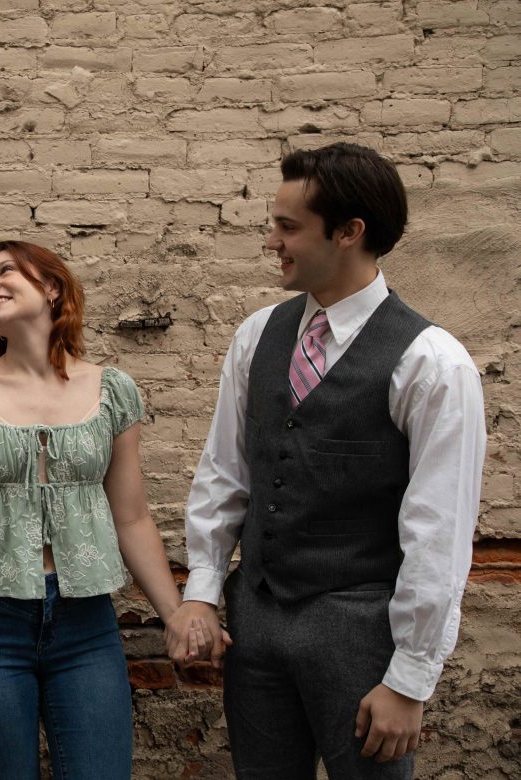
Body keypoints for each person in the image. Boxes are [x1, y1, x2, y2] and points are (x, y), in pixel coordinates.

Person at [168, 142, 487, 778]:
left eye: (288, 227)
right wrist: (202, 593)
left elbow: (439, 533)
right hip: (256, 621)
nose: (271, 240)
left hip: (362, 634)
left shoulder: (431, 363)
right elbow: (225, 474)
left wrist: (410, 680)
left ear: (349, 232)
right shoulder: (256, 336)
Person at [0, 240, 212, 779]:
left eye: (6, 271)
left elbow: (132, 517)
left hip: (85, 624)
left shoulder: (113, 392)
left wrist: (174, 613)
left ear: (52, 287)